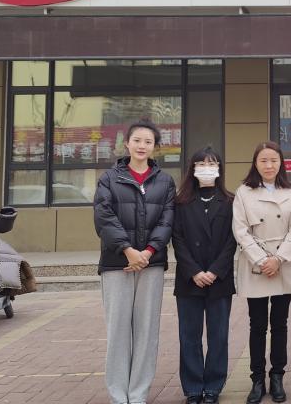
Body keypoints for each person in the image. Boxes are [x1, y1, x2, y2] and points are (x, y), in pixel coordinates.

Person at [93, 120, 175, 404]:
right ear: (126, 143)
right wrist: (128, 250)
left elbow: (167, 220)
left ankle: (138, 394)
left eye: (148, 142)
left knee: (146, 332)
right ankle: (119, 395)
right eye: (137, 140)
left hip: (151, 265)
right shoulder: (109, 178)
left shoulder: (165, 181)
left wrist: (148, 252)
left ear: (155, 147)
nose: (142, 146)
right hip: (117, 264)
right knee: (117, 331)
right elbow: (103, 217)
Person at [232, 141, 291, 404]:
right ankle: (257, 379)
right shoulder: (244, 192)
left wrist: (278, 259)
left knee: (280, 324)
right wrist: (263, 260)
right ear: (255, 163)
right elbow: (240, 230)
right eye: (263, 160)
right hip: (256, 264)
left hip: (284, 262)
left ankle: (277, 377)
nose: (269, 165)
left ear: (281, 162)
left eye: (274, 160)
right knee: (257, 325)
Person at [172, 146, 237, 404]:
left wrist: (215, 271)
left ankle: (213, 387)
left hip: (219, 279)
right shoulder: (180, 202)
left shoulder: (230, 201)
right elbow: (177, 239)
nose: (207, 168)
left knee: (218, 336)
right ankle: (192, 387)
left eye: (212, 164)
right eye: (201, 164)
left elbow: (232, 240)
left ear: (219, 169)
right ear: (193, 169)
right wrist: (194, 271)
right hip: (189, 279)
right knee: (189, 336)